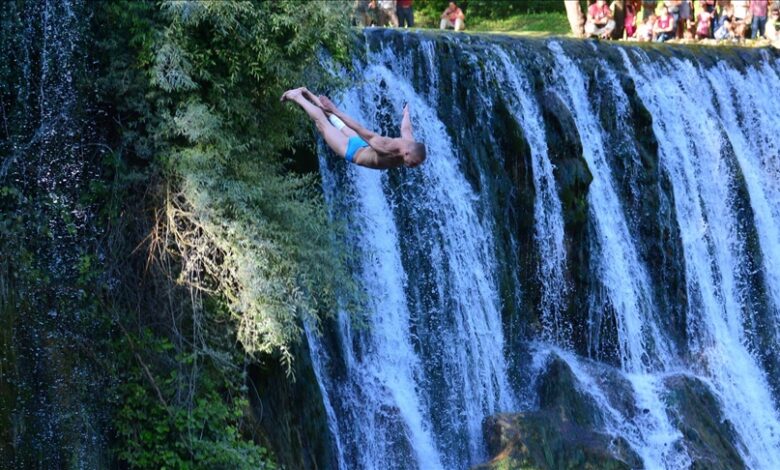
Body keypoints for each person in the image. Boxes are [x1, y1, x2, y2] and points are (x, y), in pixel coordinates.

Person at [281, 87, 426, 170]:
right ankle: (297, 96)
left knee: (332, 118)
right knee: (323, 124)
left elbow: (406, 129)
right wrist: (336, 110)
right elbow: (360, 129)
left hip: (361, 145)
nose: (413, 166)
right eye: (413, 163)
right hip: (351, 150)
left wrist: (406, 113)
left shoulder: (409, 143)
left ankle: (306, 92)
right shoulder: (386, 147)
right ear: (406, 153)